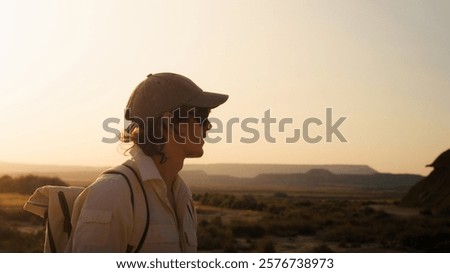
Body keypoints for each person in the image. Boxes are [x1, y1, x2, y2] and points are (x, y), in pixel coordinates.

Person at [66, 72, 228, 252]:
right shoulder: (113, 194)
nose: (208, 126)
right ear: (168, 122)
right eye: (201, 117)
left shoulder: (182, 196)